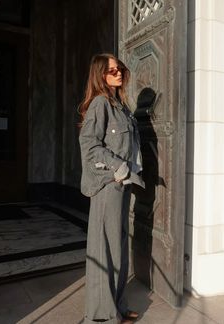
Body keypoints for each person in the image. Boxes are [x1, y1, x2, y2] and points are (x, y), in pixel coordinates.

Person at [79, 53, 145, 324]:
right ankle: (102, 316)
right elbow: (90, 145)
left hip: (122, 184)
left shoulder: (122, 107)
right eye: (111, 70)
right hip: (108, 185)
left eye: (119, 68)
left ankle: (117, 305)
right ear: (100, 75)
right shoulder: (99, 104)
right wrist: (119, 170)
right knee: (104, 249)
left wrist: (133, 172)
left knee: (118, 247)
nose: (118, 73)